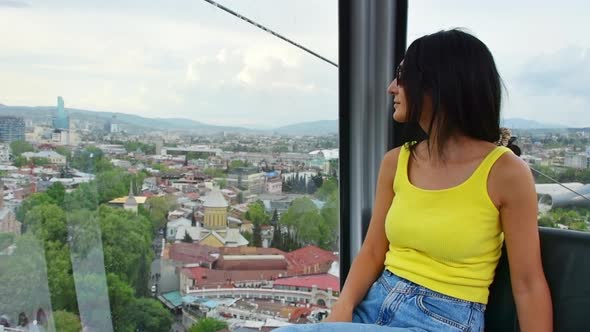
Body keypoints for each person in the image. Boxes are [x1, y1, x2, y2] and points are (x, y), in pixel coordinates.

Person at [275, 29, 552, 331]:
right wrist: (343, 307)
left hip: (443, 319)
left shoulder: (505, 172)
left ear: (439, 85)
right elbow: (372, 252)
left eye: (403, 76)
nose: (391, 87)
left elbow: (528, 284)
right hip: (374, 305)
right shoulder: (396, 161)